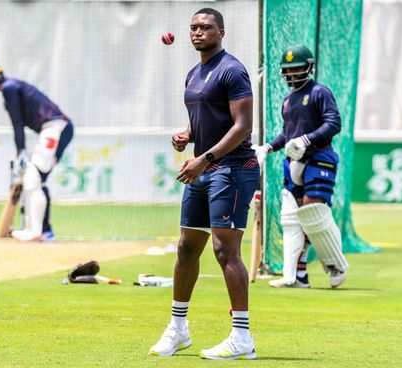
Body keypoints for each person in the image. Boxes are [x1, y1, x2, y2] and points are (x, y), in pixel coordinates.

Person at [149, 8, 259, 360]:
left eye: (205, 27)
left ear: (221, 32)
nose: (198, 32)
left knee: (225, 251)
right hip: (205, 170)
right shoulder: (194, 73)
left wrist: (203, 158)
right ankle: (178, 330)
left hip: (232, 169)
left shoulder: (232, 70)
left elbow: (242, 126)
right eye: (193, 28)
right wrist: (187, 135)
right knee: (185, 248)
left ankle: (242, 336)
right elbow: (206, 120)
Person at [253, 45, 349, 289]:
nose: (293, 74)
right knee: (292, 219)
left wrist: (307, 139)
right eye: (288, 70)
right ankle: (298, 275)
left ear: (309, 67)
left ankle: (336, 265)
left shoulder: (320, 92)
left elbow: (333, 123)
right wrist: (267, 148)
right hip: (293, 162)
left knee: (313, 213)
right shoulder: (288, 101)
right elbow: (288, 134)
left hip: (320, 158)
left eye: (297, 68)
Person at [0, 61, 74, 242]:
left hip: (56, 127)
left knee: (33, 175)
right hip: (55, 127)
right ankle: (43, 230)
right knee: (38, 179)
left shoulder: (9, 88)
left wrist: (21, 151)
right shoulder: (12, 86)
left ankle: (36, 231)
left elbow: (17, 123)